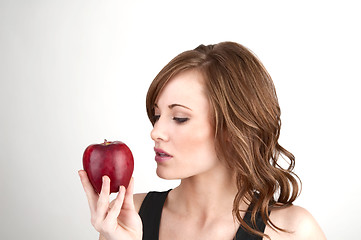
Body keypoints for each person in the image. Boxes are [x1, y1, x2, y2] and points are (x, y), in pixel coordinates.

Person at [79, 41, 326, 240]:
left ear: (232, 128)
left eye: (179, 117)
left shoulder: (293, 231)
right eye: (156, 115)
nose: (155, 132)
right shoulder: (131, 215)